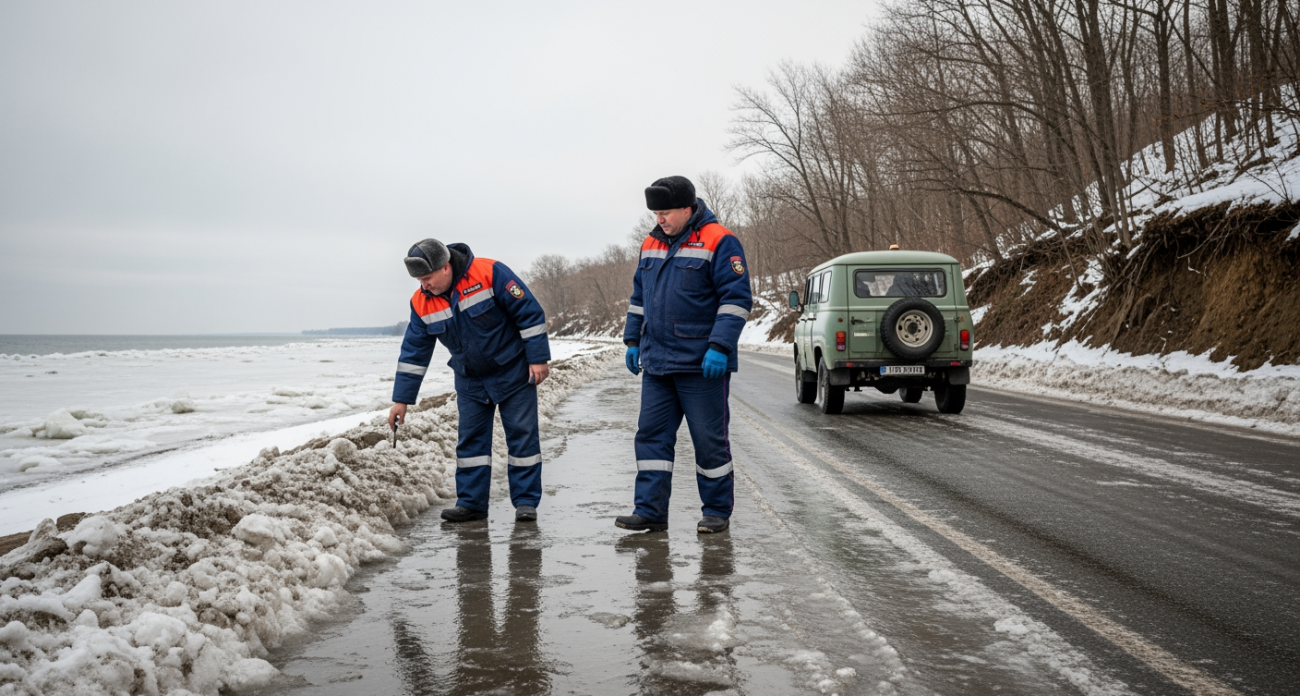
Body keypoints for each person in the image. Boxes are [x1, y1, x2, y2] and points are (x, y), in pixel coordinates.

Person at [616, 176, 752, 534]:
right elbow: (639, 299)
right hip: (657, 363)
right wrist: (632, 341)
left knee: (708, 441)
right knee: (651, 438)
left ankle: (716, 512)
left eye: (665, 212)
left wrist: (719, 347)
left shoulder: (720, 240)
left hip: (701, 365)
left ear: (687, 209)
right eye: (656, 213)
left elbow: (736, 300)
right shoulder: (650, 244)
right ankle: (650, 511)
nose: (659, 219)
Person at [388, 238, 550, 523]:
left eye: (427, 278)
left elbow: (529, 313)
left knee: (522, 438)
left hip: (514, 372)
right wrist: (401, 400)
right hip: (470, 380)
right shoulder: (421, 302)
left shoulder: (490, 273)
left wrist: (538, 358)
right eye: (419, 280)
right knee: (471, 444)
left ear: (446, 267)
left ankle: (526, 503)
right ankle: (472, 504)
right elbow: (414, 352)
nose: (423, 285)